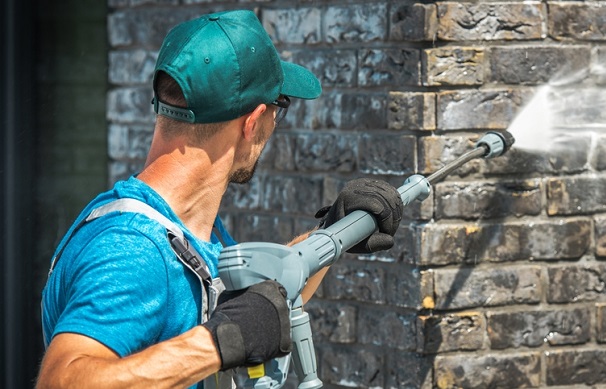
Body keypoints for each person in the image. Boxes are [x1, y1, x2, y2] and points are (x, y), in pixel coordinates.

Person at [37, 10, 403, 389]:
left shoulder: (188, 229)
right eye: (278, 109)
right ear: (252, 121)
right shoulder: (134, 249)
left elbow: (255, 305)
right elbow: (62, 382)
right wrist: (220, 342)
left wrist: (332, 234)